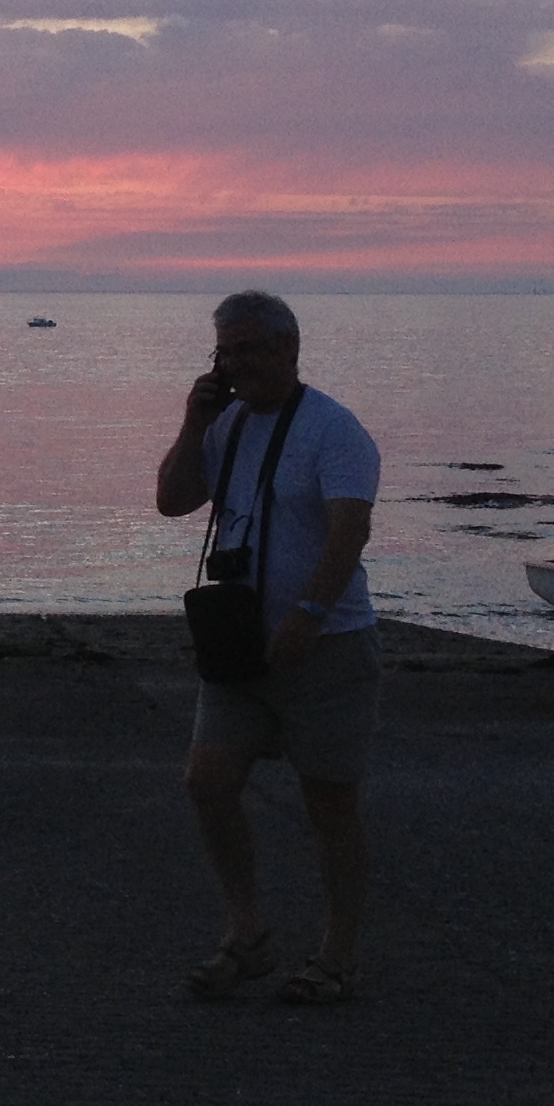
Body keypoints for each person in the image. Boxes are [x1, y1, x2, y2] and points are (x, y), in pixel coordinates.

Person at [153, 289, 383, 1006]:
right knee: (207, 782)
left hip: (327, 646)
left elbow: (349, 530)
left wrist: (310, 613)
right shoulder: (226, 427)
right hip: (239, 646)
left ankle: (337, 957)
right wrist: (195, 422)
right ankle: (247, 933)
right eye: (226, 351)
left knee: (329, 807)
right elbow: (172, 499)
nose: (237, 364)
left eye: (250, 349)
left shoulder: (334, 431)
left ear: (290, 349)